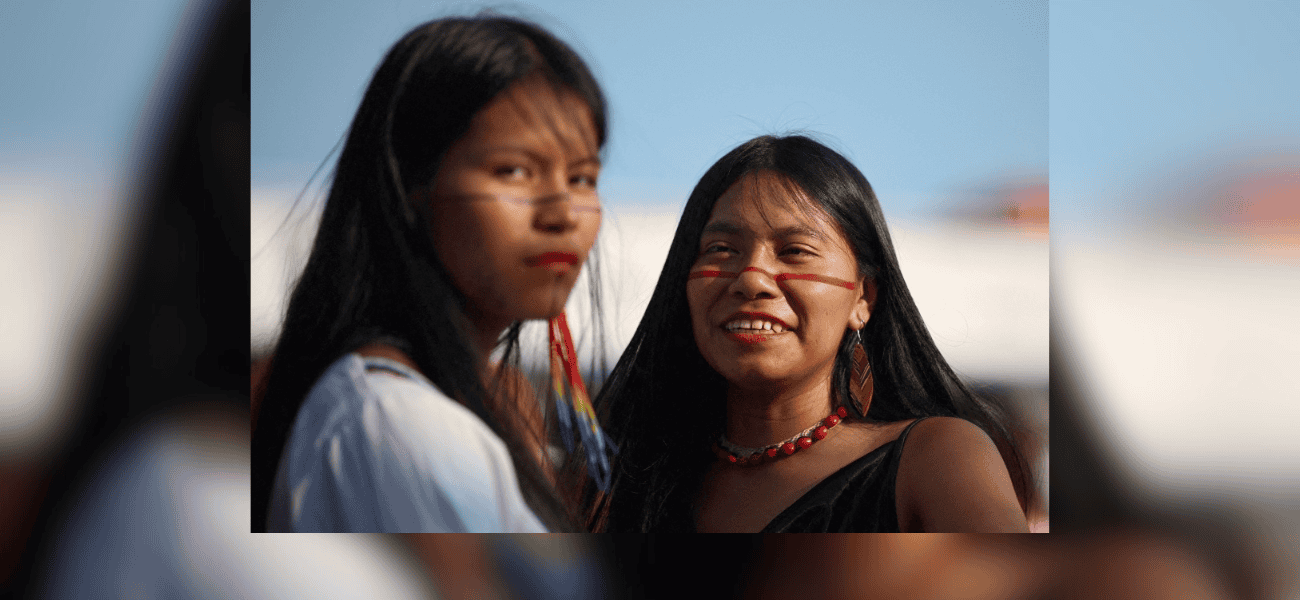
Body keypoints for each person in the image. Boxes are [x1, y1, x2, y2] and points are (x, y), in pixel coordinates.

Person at [250, 14, 614, 532]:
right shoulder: (393, 420)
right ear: (410, 187)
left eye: (583, 177)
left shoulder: (465, 406)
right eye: (513, 170)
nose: (563, 212)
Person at [587, 135, 1033, 532]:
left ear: (864, 300)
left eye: (795, 251)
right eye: (721, 249)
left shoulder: (934, 458)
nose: (752, 279)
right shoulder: (623, 479)